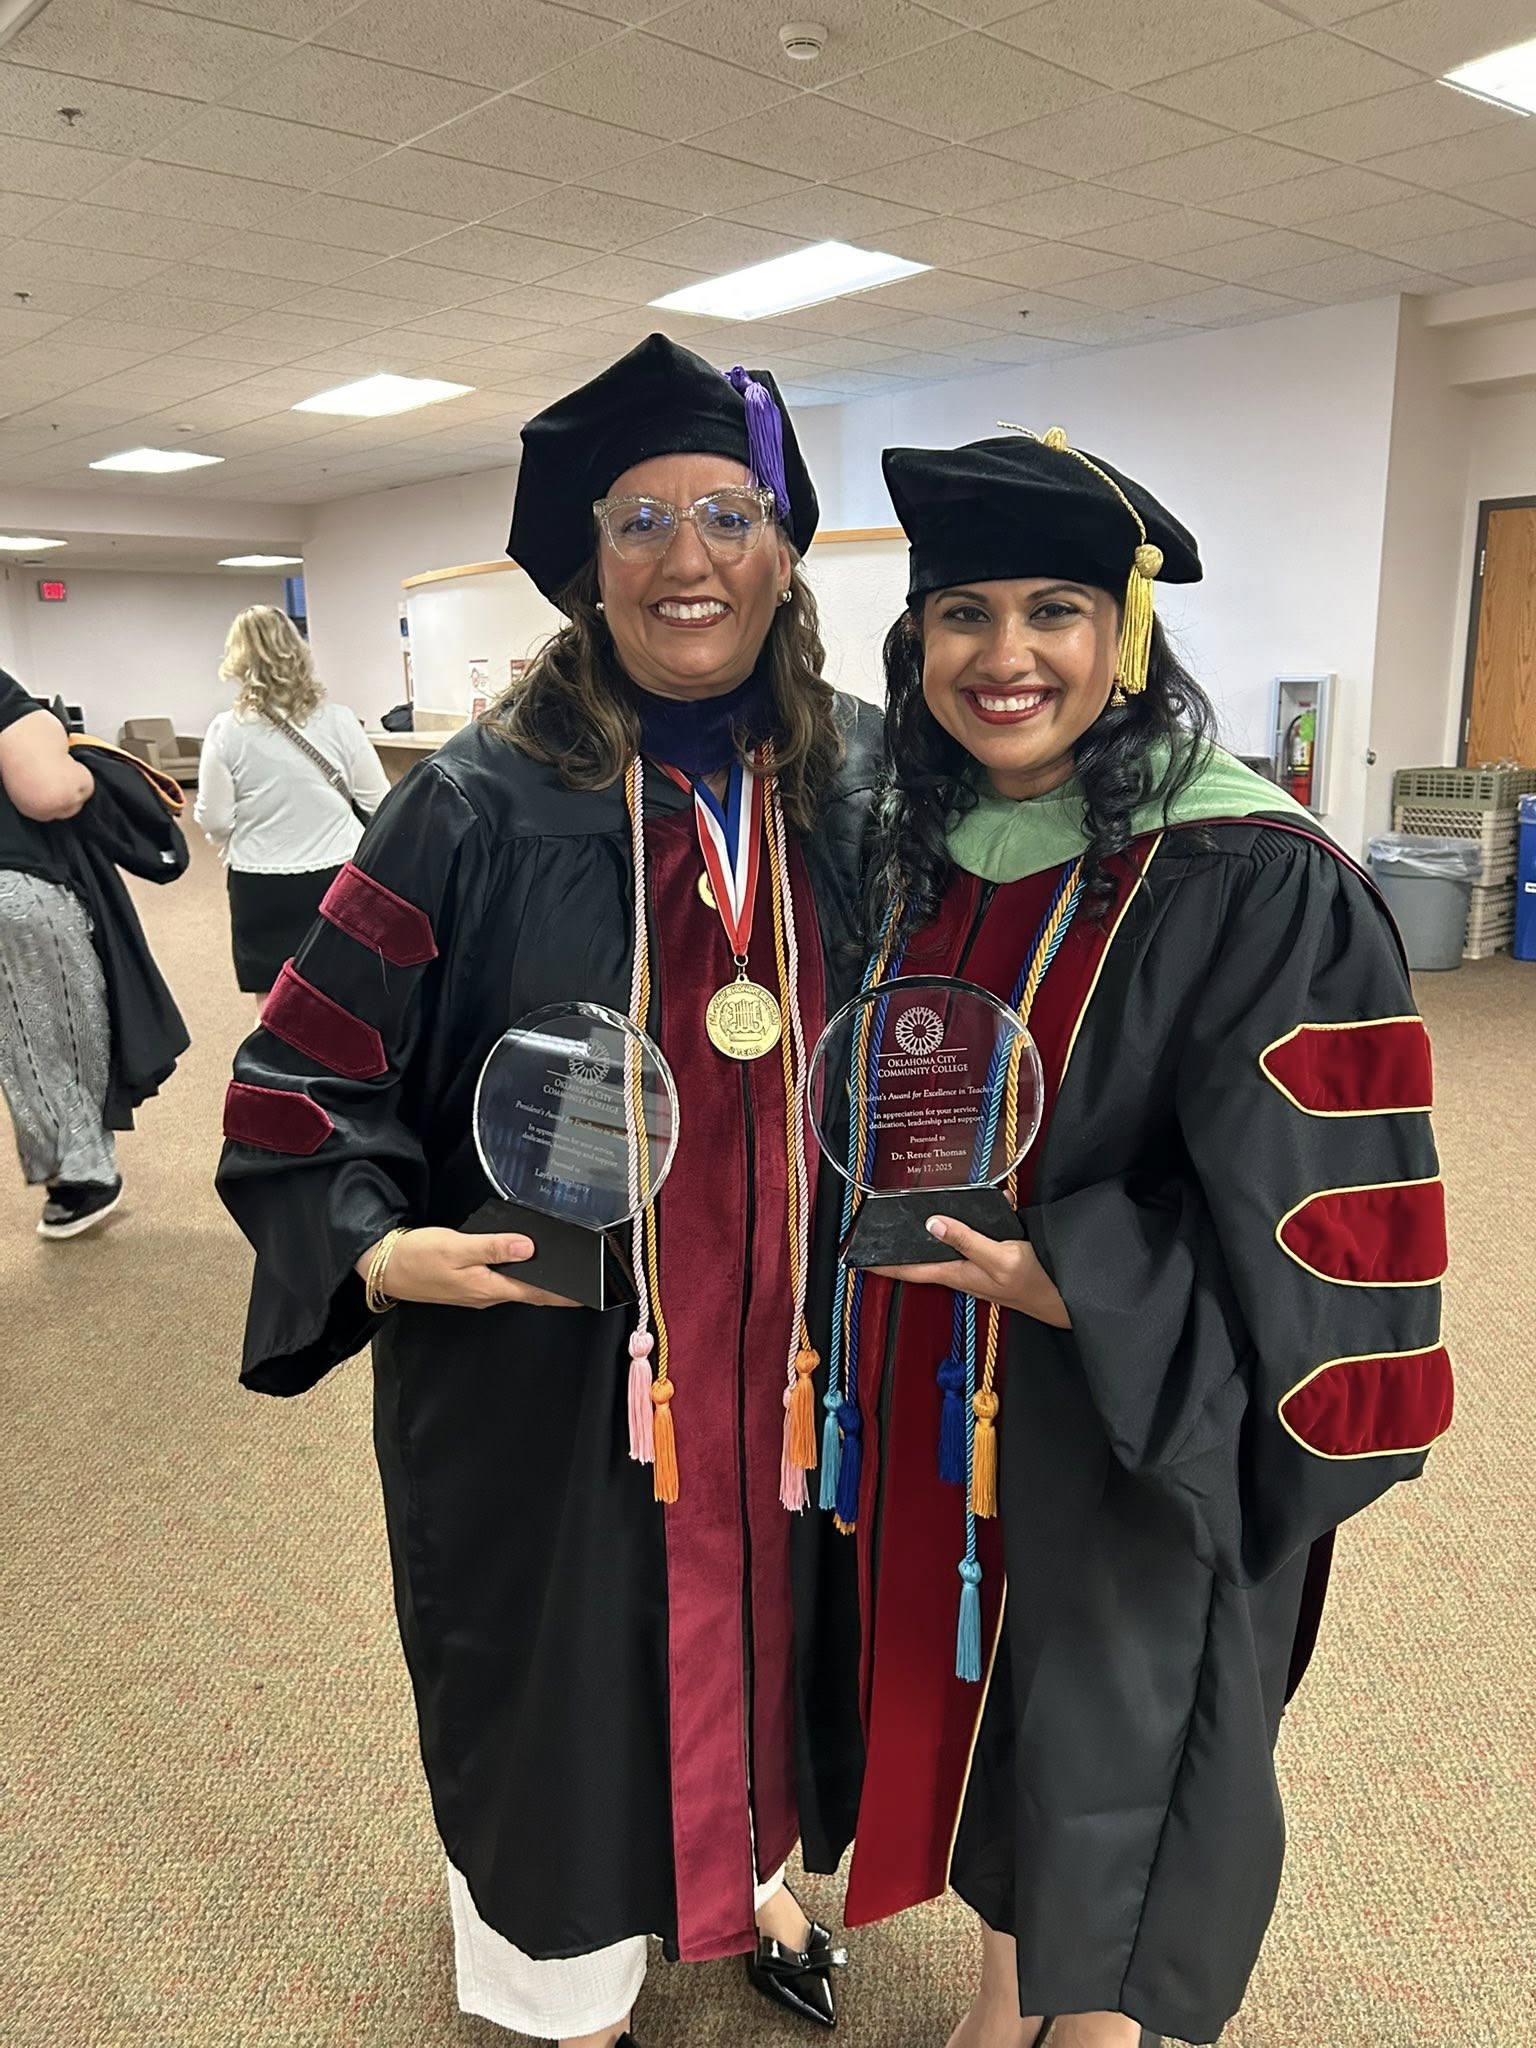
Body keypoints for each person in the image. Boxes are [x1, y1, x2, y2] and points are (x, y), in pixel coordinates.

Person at [216, 337, 878, 2048]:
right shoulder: (476, 801)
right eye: (641, 519)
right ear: (587, 563)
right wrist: (373, 1244)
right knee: (562, 1673)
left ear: (784, 546)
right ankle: (554, 1978)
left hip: (795, 1354)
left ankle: (748, 1874)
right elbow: (299, 1072)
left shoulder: (866, 783)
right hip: (556, 1354)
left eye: (725, 513)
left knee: (787, 1613)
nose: (686, 557)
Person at [821, 429, 1452, 2048]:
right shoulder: (925, 845)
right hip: (946, 1378)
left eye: (1054, 610)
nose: (1006, 654)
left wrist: (1068, 1277)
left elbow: (1324, 1209)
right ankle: (1005, 1987)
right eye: (962, 613)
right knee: (990, 1695)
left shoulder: (1250, 869)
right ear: (919, 644)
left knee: (1126, 1705)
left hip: (1138, 1394)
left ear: (1128, 635)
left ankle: (1107, 2025)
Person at [0, 669, 190, 1237]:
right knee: (47, 1037)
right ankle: (80, 1177)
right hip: (16, 892)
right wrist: (85, 776)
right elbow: (48, 792)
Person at [195, 605, 388, 1003]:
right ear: (298, 651)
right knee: (347, 996)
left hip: (260, 880)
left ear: (238, 660)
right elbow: (378, 801)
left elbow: (213, 817)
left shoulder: (226, 730)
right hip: (339, 874)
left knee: (274, 1004)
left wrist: (236, 834)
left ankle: (274, 1066)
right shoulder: (339, 720)